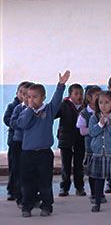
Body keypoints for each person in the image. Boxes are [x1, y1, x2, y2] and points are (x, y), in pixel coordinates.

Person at [17, 70, 70, 217]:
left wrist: (61, 85)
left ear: (43, 98)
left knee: (45, 181)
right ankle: (27, 206)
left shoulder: (49, 110)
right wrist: (29, 110)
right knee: (27, 182)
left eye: (35, 97)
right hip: (28, 153)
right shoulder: (25, 112)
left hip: (44, 153)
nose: (31, 99)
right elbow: (23, 124)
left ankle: (46, 206)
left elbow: (56, 100)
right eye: (28, 97)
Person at [88, 91, 111, 212]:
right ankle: (97, 203)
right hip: (98, 154)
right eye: (101, 102)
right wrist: (100, 124)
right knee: (99, 180)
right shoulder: (94, 117)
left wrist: (110, 123)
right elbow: (92, 133)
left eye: (107, 102)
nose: (103, 105)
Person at [56, 83, 86, 197]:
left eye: (81, 94)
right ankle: (64, 188)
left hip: (80, 140)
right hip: (65, 140)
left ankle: (79, 187)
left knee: (79, 165)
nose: (79, 96)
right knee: (66, 165)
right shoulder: (64, 105)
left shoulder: (84, 107)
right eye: (76, 93)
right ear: (70, 95)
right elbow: (53, 114)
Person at [76, 85, 104, 204]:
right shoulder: (84, 113)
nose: (99, 99)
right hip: (91, 148)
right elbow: (82, 131)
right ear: (89, 98)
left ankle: (100, 193)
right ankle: (94, 193)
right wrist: (98, 129)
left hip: (102, 148)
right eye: (97, 96)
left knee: (102, 172)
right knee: (93, 173)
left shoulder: (104, 111)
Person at [4, 81, 31, 202]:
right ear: (17, 92)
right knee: (14, 167)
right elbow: (7, 119)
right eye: (21, 92)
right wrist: (18, 124)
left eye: (26, 93)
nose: (23, 95)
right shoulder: (13, 106)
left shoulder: (32, 107)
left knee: (25, 168)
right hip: (14, 141)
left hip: (27, 142)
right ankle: (12, 190)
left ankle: (24, 190)